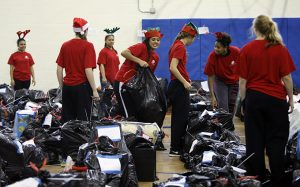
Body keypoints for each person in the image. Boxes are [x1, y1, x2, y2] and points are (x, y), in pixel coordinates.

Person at [238, 15, 295, 186]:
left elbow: (242, 80)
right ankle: (278, 178)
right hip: (276, 100)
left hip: (254, 98)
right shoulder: (280, 49)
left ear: (255, 29)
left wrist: (243, 101)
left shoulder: (247, 49)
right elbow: (286, 77)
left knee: (254, 140)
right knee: (277, 140)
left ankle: (257, 178)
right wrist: (291, 99)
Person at [56, 17, 99, 123]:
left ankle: (68, 139)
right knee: (83, 120)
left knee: (67, 120)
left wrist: (62, 86)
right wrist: (94, 90)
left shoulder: (65, 45)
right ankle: (82, 140)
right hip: (82, 88)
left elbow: (59, 69)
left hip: (67, 87)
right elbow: (88, 69)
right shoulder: (88, 46)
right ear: (85, 31)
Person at [114, 28, 163, 119]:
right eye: (153, 39)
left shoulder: (155, 57)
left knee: (137, 113)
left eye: (158, 40)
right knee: (128, 114)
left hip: (136, 88)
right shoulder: (141, 47)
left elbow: (149, 75)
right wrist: (139, 61)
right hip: (123, 83)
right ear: (148, 40)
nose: (156, 42)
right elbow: (124, 52)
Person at [167, 22, 198, 157]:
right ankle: (175, 148)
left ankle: (175, 147)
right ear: (191, 36)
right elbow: (173, 67)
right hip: (178, 86)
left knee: (178, 118)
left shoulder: (177, 45)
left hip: (177, 85)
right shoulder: (180, 47)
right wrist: (185, 82)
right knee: (180, 118)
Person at [204, 32, 240, 113]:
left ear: (225, 47)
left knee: (231, 107)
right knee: (223, 108)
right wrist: (212, 96)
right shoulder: (212, 56)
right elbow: (210, 76)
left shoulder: (236, 52)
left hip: (234, 82)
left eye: (218, 47)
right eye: (215, 46)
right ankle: (224, 124)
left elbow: (243, 68)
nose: (215, 49)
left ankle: (228, 125)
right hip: (220, 82)